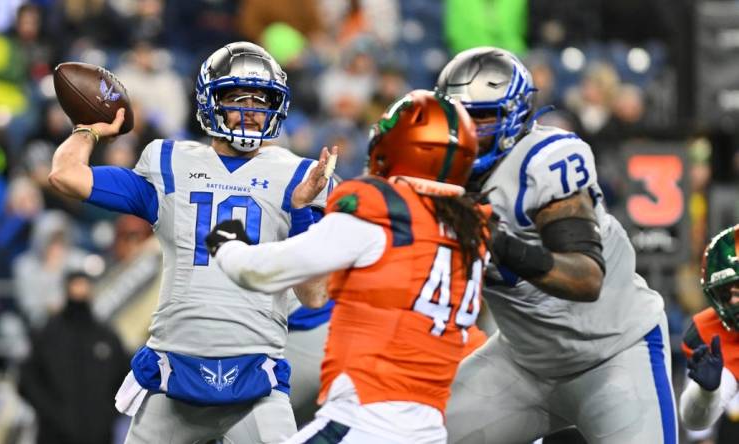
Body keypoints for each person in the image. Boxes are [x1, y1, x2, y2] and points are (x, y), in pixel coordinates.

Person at [47, 41, 335, 443]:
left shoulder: (297, 176)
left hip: (255, 379)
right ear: (210, 101)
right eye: (238, 98)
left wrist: (303, 212)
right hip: (174, 373)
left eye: (261, 100)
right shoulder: (169, 163)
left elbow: (315, 296)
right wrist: (89, 129)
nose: (252, 111)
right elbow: (65, 175)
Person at [207, 89, 489, 443]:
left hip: (363, 419)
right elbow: (317, 294)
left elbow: (261, 272)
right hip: (428, 429)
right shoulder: (471, 231)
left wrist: (226, 245)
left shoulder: (381, 212)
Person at [437, 47, 676, 443]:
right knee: (411, 432)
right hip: (522, 363)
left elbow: (586, 277)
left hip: (615, 354)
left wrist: (499, 243)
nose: (466, 131)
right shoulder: (437, 172)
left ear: (514, 116)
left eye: (480, 118)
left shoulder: (546, 160)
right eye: (456, 117)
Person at [18, 271, 130, 444]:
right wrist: (52, 414)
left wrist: (107, 415)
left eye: (84, 285)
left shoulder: (106, 336)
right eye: (75, 286)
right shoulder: (47, 334)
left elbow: (124, 379)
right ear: (66, 289)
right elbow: (27, 381)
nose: (80, 291)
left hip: (98, 435)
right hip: (53, 435)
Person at [680, 224, 739, 432]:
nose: (732, 301)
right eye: (724, 293)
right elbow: (694, 421)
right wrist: (706, 393)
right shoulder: (712, 331)